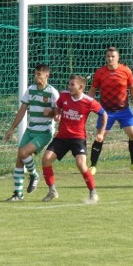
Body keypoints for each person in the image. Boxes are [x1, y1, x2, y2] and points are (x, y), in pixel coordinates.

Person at [40, 74, 107, 204]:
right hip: (62, 137)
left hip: (78, 138)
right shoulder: (64, 95)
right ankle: (52, 190)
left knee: (81, 164)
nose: (69, 87)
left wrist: (101, 133)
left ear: (81, 87)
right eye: (69, 84)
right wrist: (56, 114)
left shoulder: (88, 101)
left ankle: (93, 193)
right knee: (46, 159)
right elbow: (58, 107)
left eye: (72, 85)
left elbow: (103, 114)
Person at [3, 64, 60, 202]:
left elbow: (58, 114)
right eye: (35, 74)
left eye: (39, 74)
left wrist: (53, 115)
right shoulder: (30, 90)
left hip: (44, 133)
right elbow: (22, 110)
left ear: (47, 75)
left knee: (23, 153)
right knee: (19, 158)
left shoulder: (53, 93)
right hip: (30, 130)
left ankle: (34, 175)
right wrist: (12, 128)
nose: (36, 77)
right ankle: (18, 194)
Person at [87, 46, 133, 175]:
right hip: (106, 111)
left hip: (124, 110)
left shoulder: (126, 70)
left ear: (118, 58)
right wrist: (87, 104)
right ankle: (93, 166)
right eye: (108, 56)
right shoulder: (100, 72)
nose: (110, 58)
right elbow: (93, 89)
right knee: (100, 137)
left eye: (113, 56)